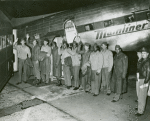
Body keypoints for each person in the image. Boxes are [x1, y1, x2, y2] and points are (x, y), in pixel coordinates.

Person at [135, 47, 150, 116]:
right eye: (142, 53)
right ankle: (139, 108)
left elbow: (148, 73)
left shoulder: (148, 61)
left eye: (144, 53)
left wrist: (145, 82)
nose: (143, 54)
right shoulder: (143, 60)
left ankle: (140, 111)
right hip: (141, 79)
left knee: (142, 96)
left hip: (144, 80)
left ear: (148, 54)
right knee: (140, 95)